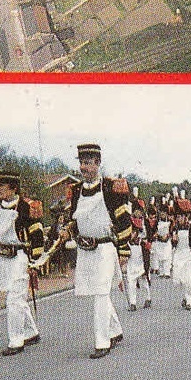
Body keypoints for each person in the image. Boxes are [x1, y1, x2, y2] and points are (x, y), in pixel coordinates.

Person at [42, 142, 130, 359]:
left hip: (105, 248)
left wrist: (124, 251)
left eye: (89, 163)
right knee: (97, 292)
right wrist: (67, 232)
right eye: (82, 163)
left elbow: (124, 221)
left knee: (101, 292)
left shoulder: (110, 188)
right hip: (85, 249)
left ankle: (102, 341)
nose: (84, 168)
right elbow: (75, 220)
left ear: (98, 163)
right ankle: (115, 329)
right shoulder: (76, 190)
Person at [0, 170, 45, 356]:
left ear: (13, 188)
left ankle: (16, 341)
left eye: (1, 186)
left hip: (20, 257)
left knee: (14, 299)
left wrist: (35, 262)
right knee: (16, 297)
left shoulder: (26, 207)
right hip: (3, 258)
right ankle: (31, 332)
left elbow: (37, 235)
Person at [170, 189, 191, 310]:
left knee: (189, 280)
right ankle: (185, 295)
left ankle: (189, 300)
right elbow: (173, 244)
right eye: (177, 216)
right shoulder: (174, 228)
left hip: (189, 255)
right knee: (177, 280)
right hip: (178, 254)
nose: (178, 219)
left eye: (180, 216)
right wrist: (174, 239)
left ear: (186, 216)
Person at [124, 189, 152, 311]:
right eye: (136, 211)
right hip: (131, 251)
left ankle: (148, 298)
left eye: (140, 211)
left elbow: (150, 234)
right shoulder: (128, 222)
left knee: (144, 277)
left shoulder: (145, 222)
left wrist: (147, 242)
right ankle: (133, 303)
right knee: (131, 279)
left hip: (142, 251)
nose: (138, 213)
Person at [151, 195, 173, 279]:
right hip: (159, 241)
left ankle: (166, 272)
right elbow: (154, 230)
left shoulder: (170, 221)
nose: (162, 214)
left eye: (164, 213)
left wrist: (167, 236)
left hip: (167, 241)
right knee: (159, 256)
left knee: (167, 257)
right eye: (161, 213)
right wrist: (157, 235)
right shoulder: (157, 221)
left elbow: (172, 230)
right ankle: (161, 272)